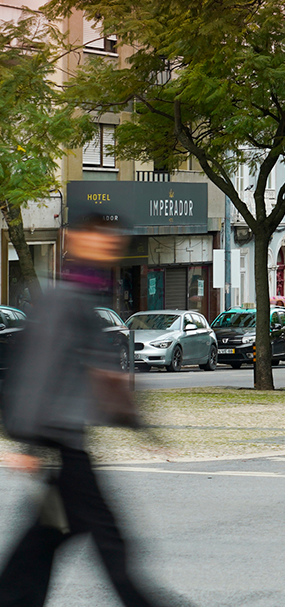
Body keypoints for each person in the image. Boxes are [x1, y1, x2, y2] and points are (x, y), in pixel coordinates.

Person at [0, 213, 180, 607]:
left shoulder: (84, 296)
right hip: (62, 445)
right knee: (105, 540)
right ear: (75, 241)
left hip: (64, 443)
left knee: (47, 537)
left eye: (111, 242)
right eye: (99, 240)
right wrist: (29, 442)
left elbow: (101, 379)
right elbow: (39, 370)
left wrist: (140, 427)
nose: (107, 247)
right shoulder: (65, 298)